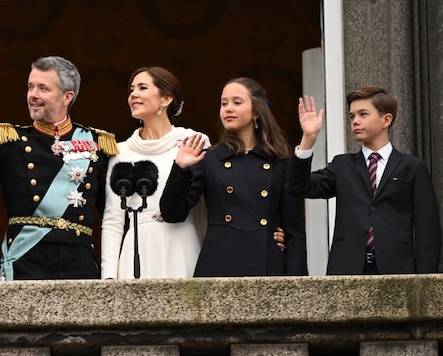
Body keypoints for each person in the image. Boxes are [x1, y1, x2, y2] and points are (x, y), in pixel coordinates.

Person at [0, 54, 118, 280]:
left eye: (43, 88)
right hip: (27, 263)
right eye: (30, 87)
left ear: (67, 97)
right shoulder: (11, 141)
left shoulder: (96, 144)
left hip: (79, 265)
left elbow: (113, 215)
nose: (33, 95)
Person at [159, 77, 307, 277]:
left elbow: (294, 232)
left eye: (237, 102)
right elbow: (172, 213)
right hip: (218, 262)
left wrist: (296, 285)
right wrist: (181, 168)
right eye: (223, 103)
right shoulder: (209, 158)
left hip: (265, 263)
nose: (228, 108)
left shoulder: (279, 162)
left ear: (256, 111)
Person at [287, 87, 441, 274]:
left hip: (398, 270)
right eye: (352, 116)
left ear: (386, 120)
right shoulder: (342, 165)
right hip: (347, 269)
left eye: (363, 114)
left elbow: (428, 230)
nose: (355, 121)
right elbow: (299, 187)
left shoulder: (412, 167)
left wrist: (425, 281)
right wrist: (308, 139)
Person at [100, 67, 208, 279]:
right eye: (131, 90)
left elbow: (207, 208)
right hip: (137, 248)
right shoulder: (120, 152)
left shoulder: (193, 141)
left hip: (182, 244)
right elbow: (113, 220)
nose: (133, 95)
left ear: (166, 98)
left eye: (142, 88)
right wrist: (109, 277)